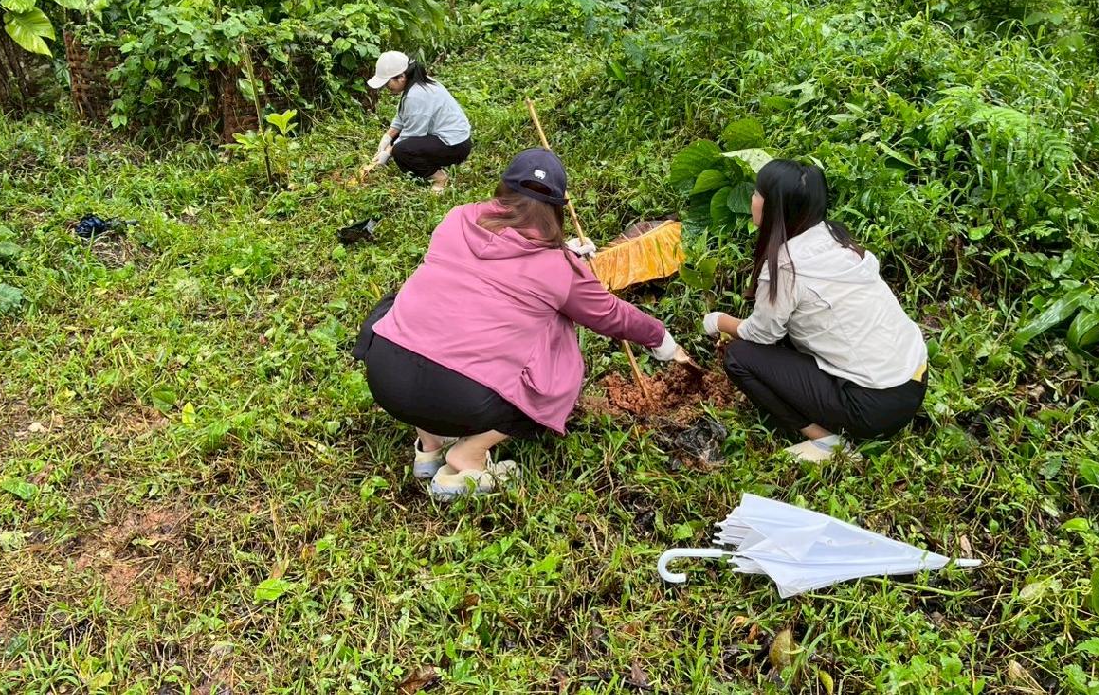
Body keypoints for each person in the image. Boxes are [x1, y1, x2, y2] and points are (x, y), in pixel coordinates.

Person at [353, 148, 693, 498]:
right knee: (559, 352)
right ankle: (468, 456)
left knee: (413, 311)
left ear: (503, 189)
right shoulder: (559, 269)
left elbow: (501, 254)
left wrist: (565, 256)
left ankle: (429, 447)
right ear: (557, 209)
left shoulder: (456, 219)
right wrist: (660, 337)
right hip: (460, 396)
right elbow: (609, 314)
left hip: (386, 376)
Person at [702, 159, 928, 462]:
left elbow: (762, 334)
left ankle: (827, 442)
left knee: (739, 357)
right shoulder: (836, 238)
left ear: (774, 207)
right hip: (915, 377)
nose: (752, 199)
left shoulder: (787, 266)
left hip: (875, 406)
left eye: (757, 193)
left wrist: (717, 321)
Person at [366, 51, 471, 193]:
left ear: (401, 77)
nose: (386, 87)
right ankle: (423, 166)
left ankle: (440, 178)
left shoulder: (416, 95)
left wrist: (388, 152)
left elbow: (413, 134)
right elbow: (403, 116)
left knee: (401, 151)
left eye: (387, 83)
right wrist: (388, 136)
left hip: (455, 145)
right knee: (396, 141)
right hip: (452, 138)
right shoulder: (417, 84)